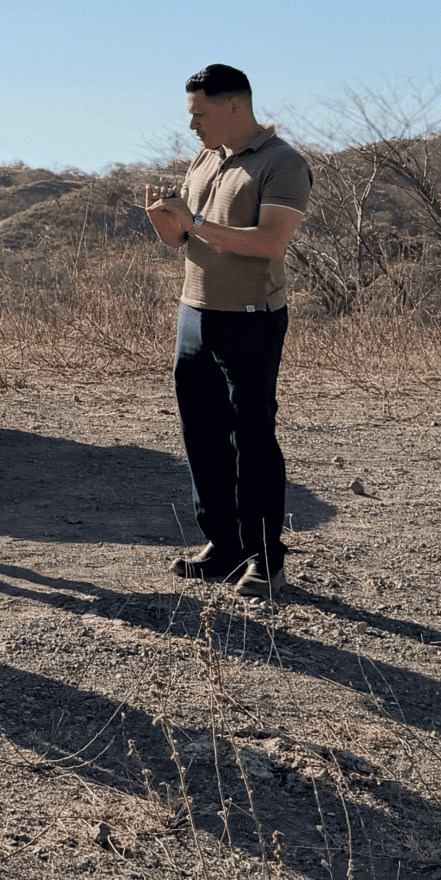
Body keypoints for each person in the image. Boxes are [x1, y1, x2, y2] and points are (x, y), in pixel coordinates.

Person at [141, 63, 310, 597]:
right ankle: (224, 545)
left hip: (251, 319)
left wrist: (193, 224)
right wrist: (169, 227)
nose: (192, 124)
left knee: (251, 439)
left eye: (200, 114)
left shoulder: (283, 163)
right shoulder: (205, 157)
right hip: (193, 313)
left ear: (235, 105)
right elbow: (190, 240)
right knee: (202, 435)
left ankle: (265, 559)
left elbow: (269, 243)